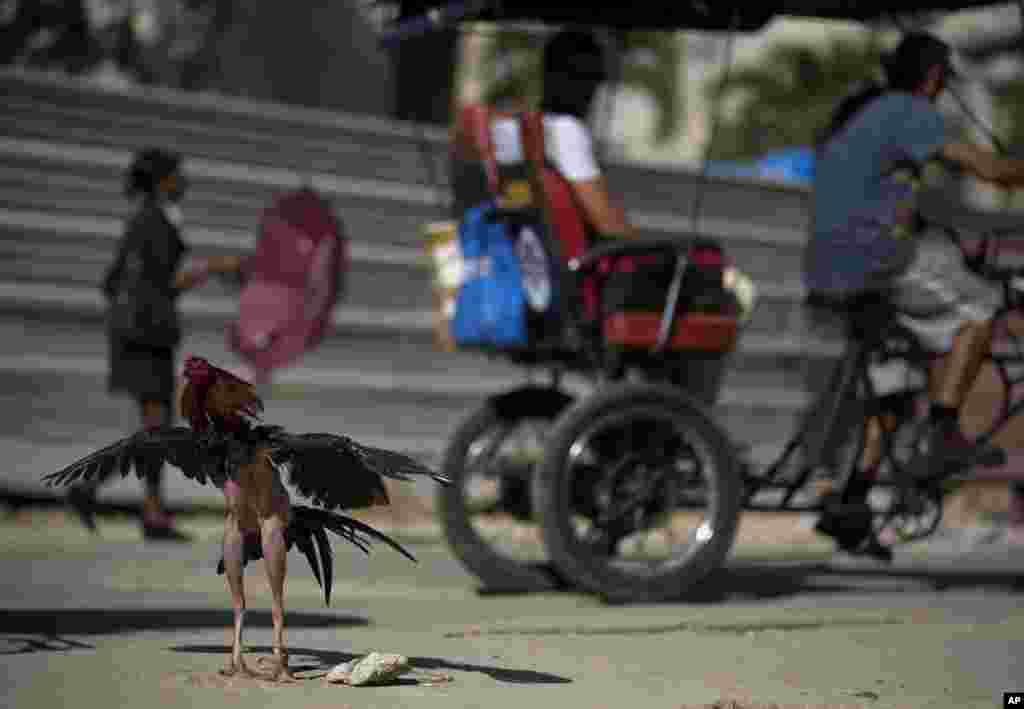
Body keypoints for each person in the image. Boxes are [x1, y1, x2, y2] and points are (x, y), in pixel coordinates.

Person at [804, 31, 1024, 559]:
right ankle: (945, 433)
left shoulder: (866, 115)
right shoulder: (909, 111)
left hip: (829, 267)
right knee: (981, 306)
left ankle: (851, 506)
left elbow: (884, 196)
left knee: (895, 382)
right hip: (877, 260)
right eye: (944, 81)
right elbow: (992, 171)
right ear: (932, 78)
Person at [68, 147, 243, 541]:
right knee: (157, 428)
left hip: (138, 333)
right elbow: (162, 283)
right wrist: (213, 268)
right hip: (147, 335)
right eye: (177, 175)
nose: (184, 181)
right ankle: (119, 501)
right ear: (163, 181)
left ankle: (126, 502)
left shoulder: (141, 220)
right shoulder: (156, 221)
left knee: (157, 426)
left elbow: (112, 282)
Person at [488, 28, 636, 240]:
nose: (590, 89)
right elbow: (608, 223)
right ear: (551, 74)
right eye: (584, 77)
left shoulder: (521, 127)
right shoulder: (567, 129)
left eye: (594, 78)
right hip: (572, 266)